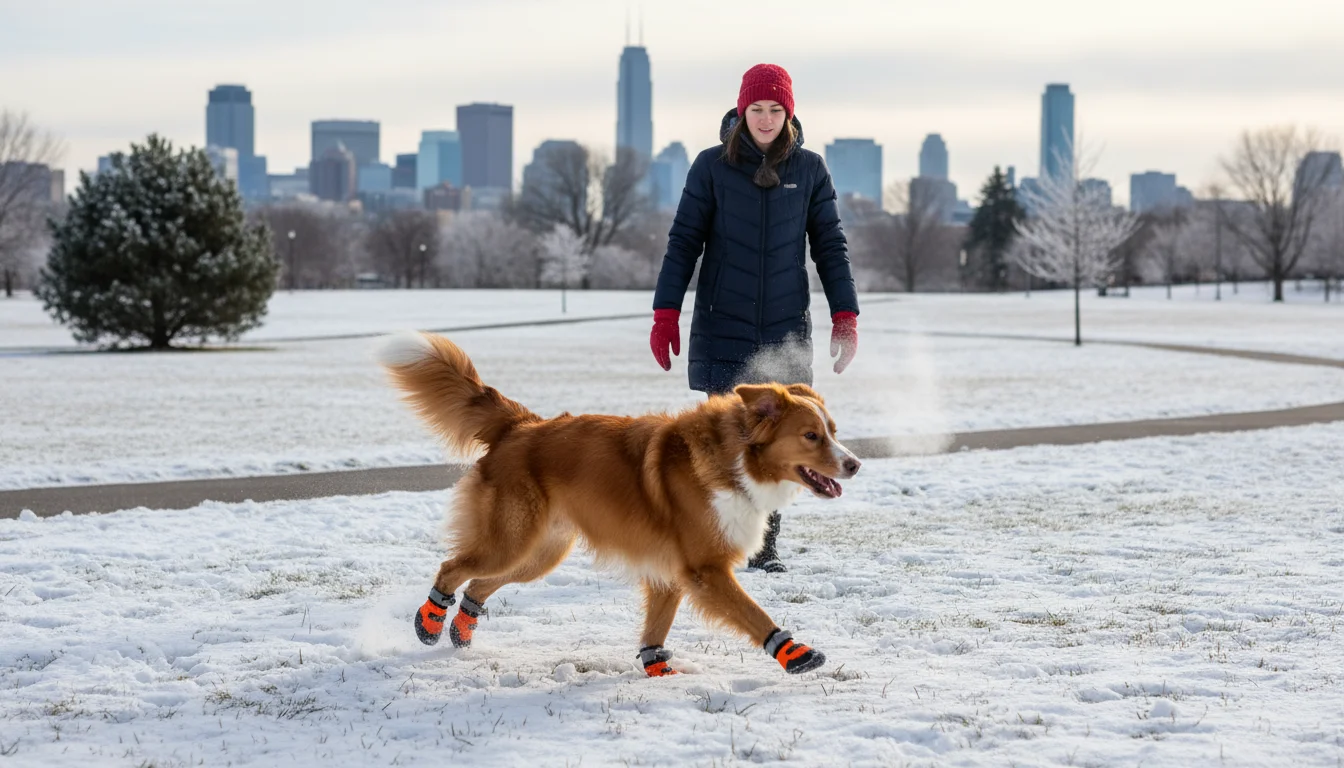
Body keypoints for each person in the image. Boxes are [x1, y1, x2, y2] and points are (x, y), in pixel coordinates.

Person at [648, 63, 860, 574]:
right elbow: (683, 244)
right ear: (741, 112)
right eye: (756, 109)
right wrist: (665, 312)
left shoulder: (810, 170)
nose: (765, 119)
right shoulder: (711, 167)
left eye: (775, 109)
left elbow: (830, 245)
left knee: (784, 443)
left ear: (789, 114)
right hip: (724, 327)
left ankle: (763, 551)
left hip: (785, 331)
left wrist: (845, 314)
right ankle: (709, 542)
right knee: (724, 443)